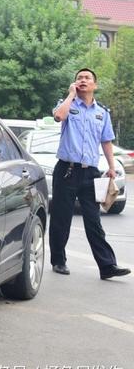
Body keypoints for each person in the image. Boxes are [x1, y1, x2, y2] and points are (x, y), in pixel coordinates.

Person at [49, 68, 130, 280]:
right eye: (79, 78)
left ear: (95, 85)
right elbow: (58, 116)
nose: (83, 80)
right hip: (67, 170)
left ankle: (107, 266)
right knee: (61, 218)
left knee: (94, 220)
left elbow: (106, 141)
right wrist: (70, 95)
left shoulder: (102, 112)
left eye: (87, 78)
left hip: (91, 173)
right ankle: (58, 260)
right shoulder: (67, 104)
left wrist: (111, 167)